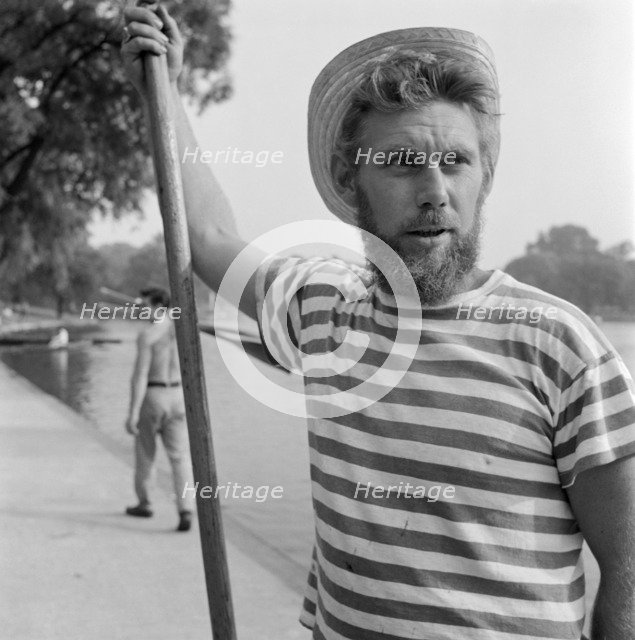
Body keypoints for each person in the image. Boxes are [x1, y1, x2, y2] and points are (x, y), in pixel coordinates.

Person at [121, 7, 635, 639]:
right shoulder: (325, 313)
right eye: (401, 162)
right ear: (349, 176)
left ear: (485, 177)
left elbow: (629, 569)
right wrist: (167, 87)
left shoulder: (561, 345)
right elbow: (207, 236)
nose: (435, 190)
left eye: (456, 162)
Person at [124, 285, 194, 532]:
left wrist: (132, 413)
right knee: (180, 457)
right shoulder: (182, 329)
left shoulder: (148, 335)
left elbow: (140, 375)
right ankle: (185, 509)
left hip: (154, 395)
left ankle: (145, 503)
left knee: (145, 454)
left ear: (158, 306)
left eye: (144, 306)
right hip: (178, 396)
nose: (142, 311)